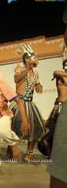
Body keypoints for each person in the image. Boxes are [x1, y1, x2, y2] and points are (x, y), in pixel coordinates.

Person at [9, 44, 46, 163]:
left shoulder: (36, 73)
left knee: (35, 129)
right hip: (19, 103)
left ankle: (29, 155)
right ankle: (11, 149)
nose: (37, 60)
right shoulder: (19, 68)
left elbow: (37, 86)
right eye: (34, 58)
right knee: (14, 128)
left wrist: (39, 86)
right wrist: (28, 69)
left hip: (30, 104)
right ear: (27, 59)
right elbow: (16, 79)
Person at [46, 59, 67, 188]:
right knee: (48, 139)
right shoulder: (60, 76)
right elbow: (55, 72)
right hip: (57, 106)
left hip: (64, 108)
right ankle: (52, 160)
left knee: (55, 140)